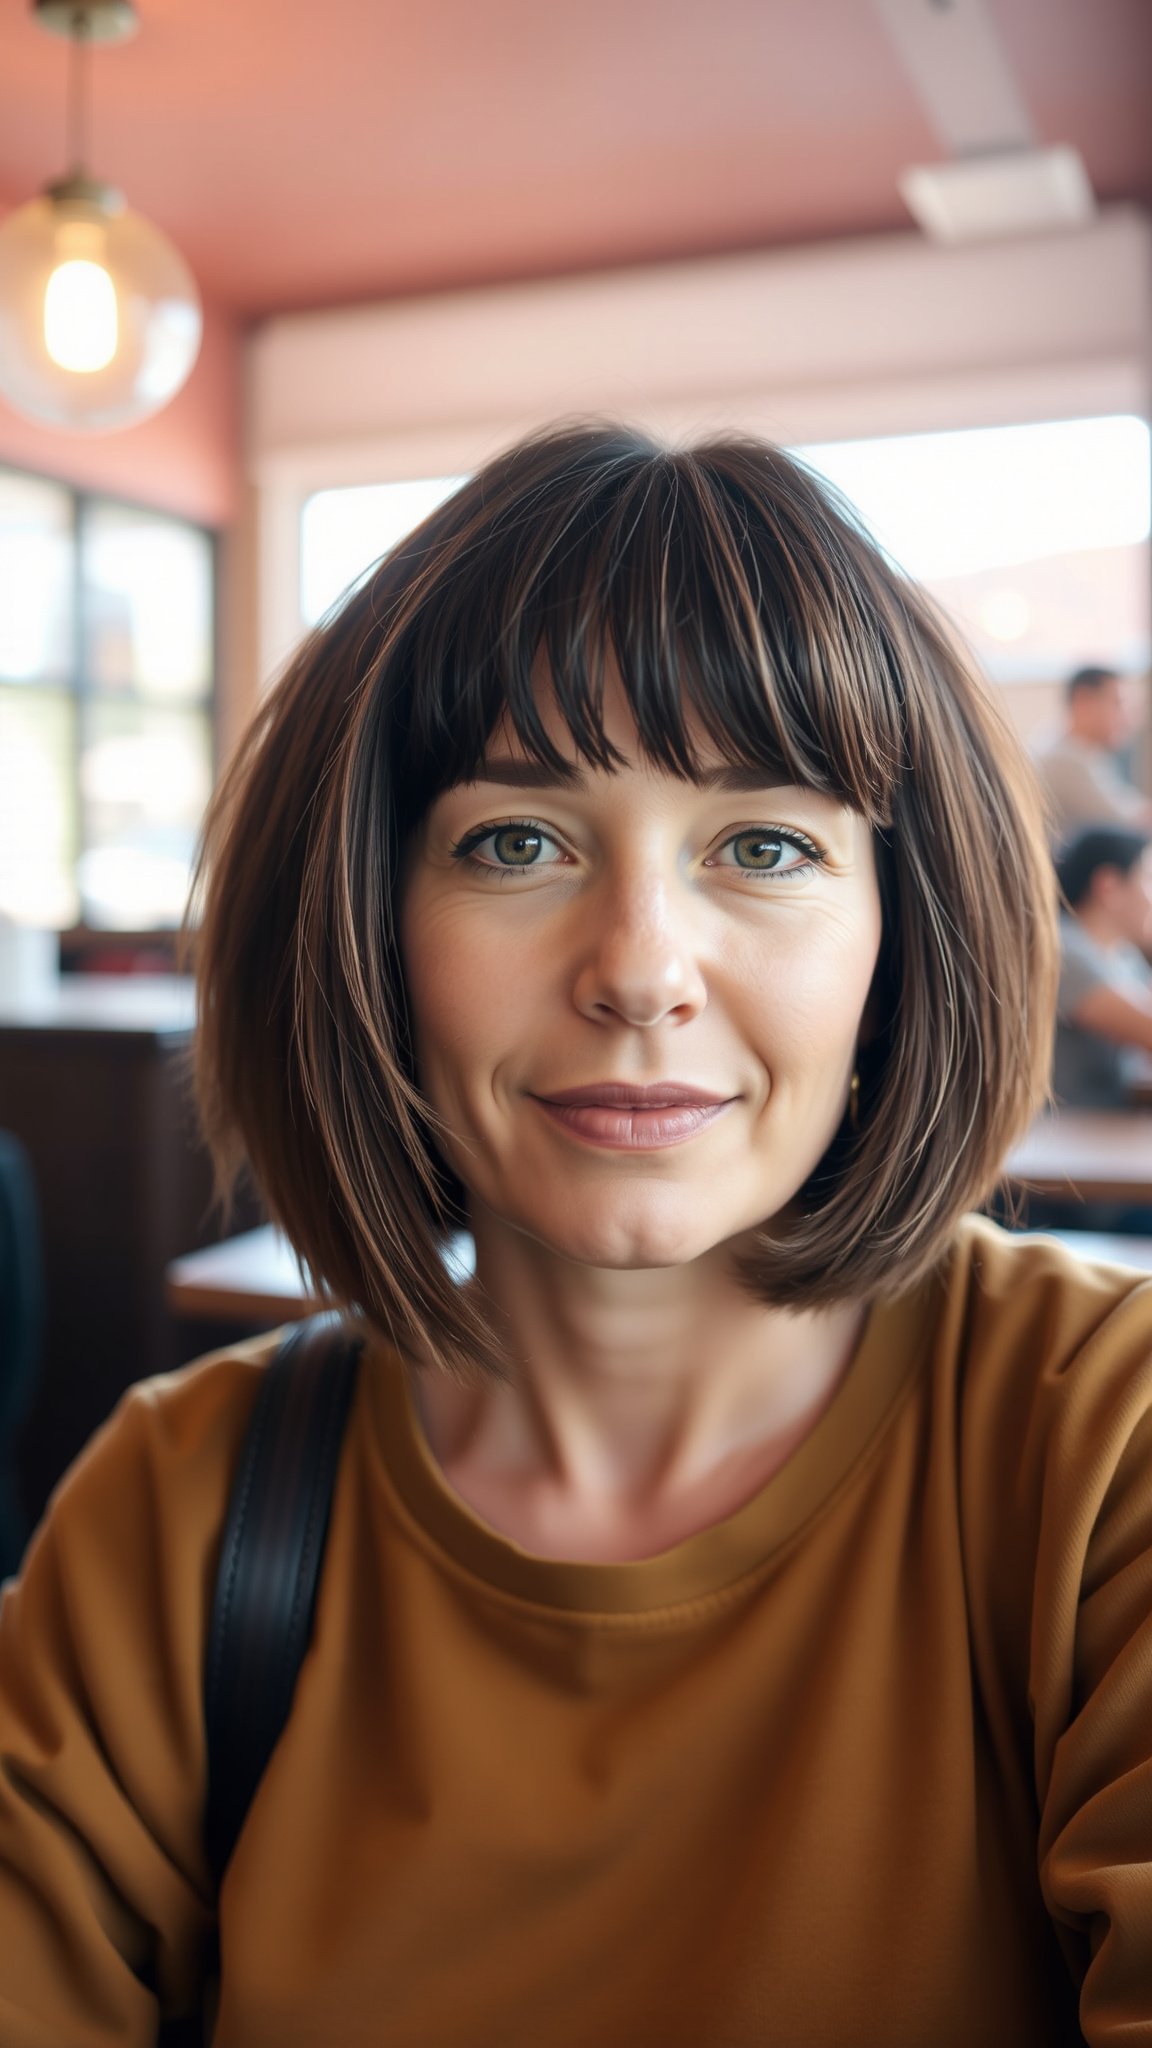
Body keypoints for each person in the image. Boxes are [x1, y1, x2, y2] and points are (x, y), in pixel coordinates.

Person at [1, 424, 1151, 2047]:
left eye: (763, 844)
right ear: (365, 924)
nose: (638, 966)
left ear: (900, 940)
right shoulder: (169, 1520)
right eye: (514, 840)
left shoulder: (1105, 1446)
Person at [1053, 824, 1152, 1108]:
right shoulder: (1066, 949)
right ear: (1108, 886)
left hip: (1105, 1121)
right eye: (1147, 878)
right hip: (1063, 1135)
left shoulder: (1124, 957)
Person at [1031, 662, 1152, 845]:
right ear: (1084, 700)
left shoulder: (1086, 752)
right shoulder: (1062, 759)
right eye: (1117, 703)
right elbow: (1129, 822)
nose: (1127, 717)